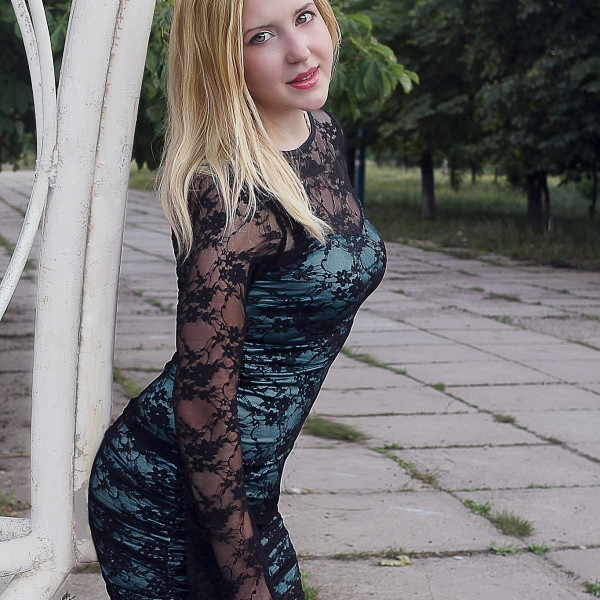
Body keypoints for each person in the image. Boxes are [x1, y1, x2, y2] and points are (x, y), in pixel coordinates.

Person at [88, 0, 387, 598]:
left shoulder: (322, 132)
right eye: (261, 37)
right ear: (221, 58)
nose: (300, 50)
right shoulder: (230, 198)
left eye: (305, 16)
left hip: (249, 490)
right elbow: (201, 409)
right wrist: (247, 583)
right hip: (171, 494)